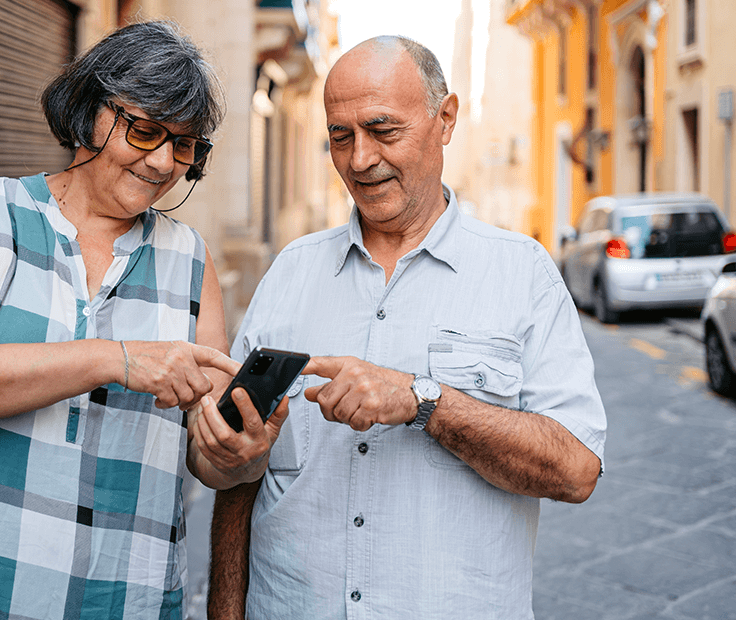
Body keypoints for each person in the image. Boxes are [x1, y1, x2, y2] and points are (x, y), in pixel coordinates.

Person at [0, 20, 281, 620]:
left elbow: (205, 461)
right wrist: (116, 358)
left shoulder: (190, 259)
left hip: (116, 595)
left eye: (184, 144)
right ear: (89, 112)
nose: (163, 162)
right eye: (144, 131)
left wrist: (238, 449)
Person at [204, 36, 607, 619]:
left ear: (445, 119)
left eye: (383, 130)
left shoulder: (523, 273)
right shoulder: (291, 270)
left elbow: (576, 470)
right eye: (340, 136)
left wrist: (424, 400)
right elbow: (240, 480)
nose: (360, 159)